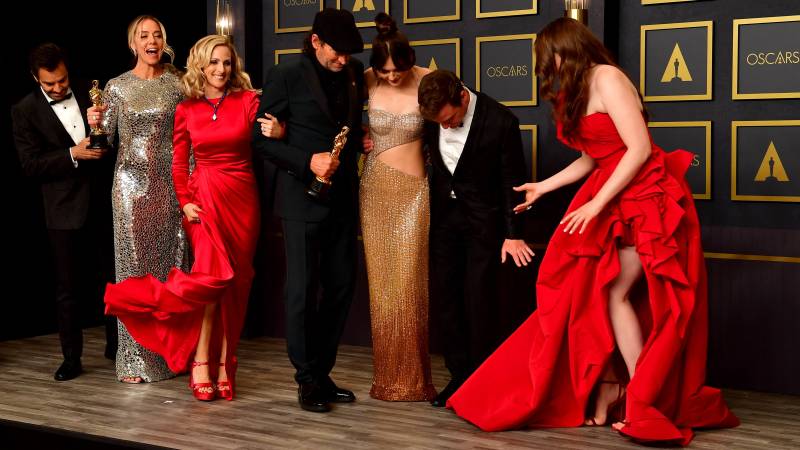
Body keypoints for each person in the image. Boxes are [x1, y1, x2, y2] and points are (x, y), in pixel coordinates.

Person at [446, 18, 739, 446]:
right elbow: (594, 155)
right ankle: (625, 389)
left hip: (646, 197)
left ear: (569, 48)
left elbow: (637, 148)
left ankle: (639, 395)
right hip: (613, 194)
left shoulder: (608, 78)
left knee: (622, 293)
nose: (548, 69)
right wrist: (544, 187)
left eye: (551, 58)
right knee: (599, 293)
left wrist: (596, 203)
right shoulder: (578, 89)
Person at [104, 35, 281, 400]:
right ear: (200, 65)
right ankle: (202, 361)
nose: (221, 69)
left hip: (241, 200)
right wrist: (184, 201)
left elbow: (271, 139)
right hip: (202, 202)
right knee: (210, 281)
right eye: (214, 62)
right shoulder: (187, 109)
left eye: (227, 63)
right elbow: (178, 161)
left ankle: (224, 363)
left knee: (236, 285)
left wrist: (280, 131)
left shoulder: (248, 101)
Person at [252, 8, 365, 413]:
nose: (343, 60)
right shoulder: (285, 75)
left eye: (349, 53)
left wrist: (360, 142)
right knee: (300, 292)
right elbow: (261, 142)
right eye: (337, 52)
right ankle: (305, 378)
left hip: (343, 200)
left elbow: (347, 131)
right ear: (315, 42)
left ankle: (322, 370)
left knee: (341, 287)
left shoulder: (353, 75)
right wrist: (306, 161)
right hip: (301, 200)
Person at [417, 70, 534, 407]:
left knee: (480, 302)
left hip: (485, 225)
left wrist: (514, 234)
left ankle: (484, 379)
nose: (447, 127)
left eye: (451, 119)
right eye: (440, 123)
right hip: (443, 223)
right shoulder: (433, 118)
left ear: (463, 97)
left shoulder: (501, 121)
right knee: (448, 301)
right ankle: (459, 376)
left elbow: (513, 180)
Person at [88, 15, 186, 383]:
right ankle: (134, 361)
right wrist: (94, 121)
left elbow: (188, 138)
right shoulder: (115, 87)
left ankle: (174, 356)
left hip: (171, 186)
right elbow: (103, 141)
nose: (152, 40)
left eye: (157, 34)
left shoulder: (179, 83)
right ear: (133, 43)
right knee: (133, 273)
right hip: (129, 188)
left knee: (172, 269)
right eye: (144, 35)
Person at [12, 43, 117, 381]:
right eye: (49, 84)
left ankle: (118, 350)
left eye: (61, 80)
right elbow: (30, 165)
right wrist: (73, 154)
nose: (58, 88)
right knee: (67, 289)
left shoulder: (93, 91)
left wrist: (105, 144)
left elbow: (114, 136)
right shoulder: (24, 110)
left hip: (104, 201)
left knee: (114, 282)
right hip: (62, 210)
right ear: (35, 78)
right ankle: (72, 358)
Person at [359, 13, 437, 402]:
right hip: (375, 191)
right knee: (383, 287)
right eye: (384, 70)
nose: (391, 76)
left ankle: (414, 378)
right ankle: (387, 376)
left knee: (409, 284)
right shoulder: (365, 80)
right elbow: (336, 119)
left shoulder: (427, 80)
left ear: (409, 61)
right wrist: (360, 138)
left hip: (413, 193)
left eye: (398, 69)